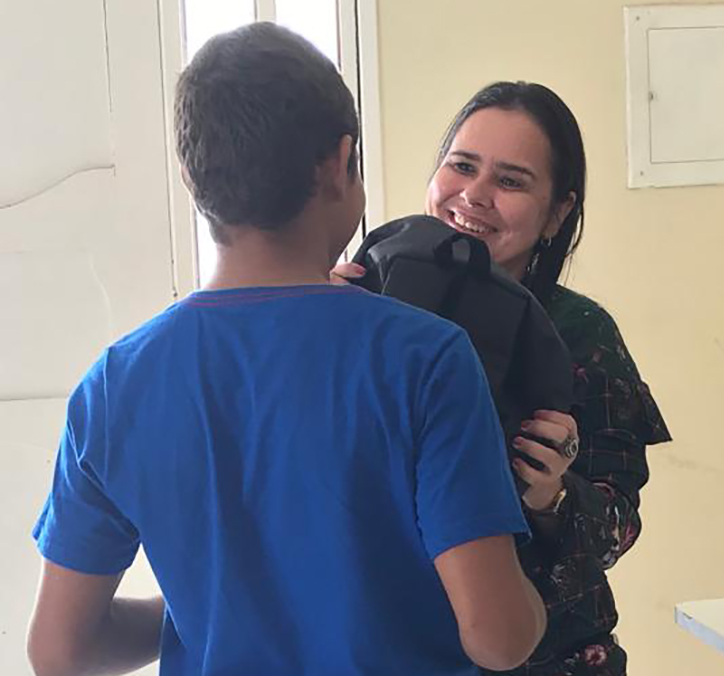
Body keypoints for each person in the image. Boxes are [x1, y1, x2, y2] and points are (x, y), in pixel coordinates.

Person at [26, 26, 547, 676]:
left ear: (190, 175)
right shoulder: (428, 358)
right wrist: (532, 609)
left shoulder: (115, 385)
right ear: (340, 162)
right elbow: (497, 639)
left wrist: (207, 607)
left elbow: (60, 652)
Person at [338, 81, 670, 676]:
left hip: (547, 658)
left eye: (511, 181)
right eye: (462, 166)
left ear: (558, 212)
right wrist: (311, 323)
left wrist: (553, 497)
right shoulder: (364, 294)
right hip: (387, 650)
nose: (474, 194)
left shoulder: (581, 333)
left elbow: (618, 531)